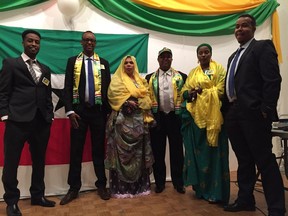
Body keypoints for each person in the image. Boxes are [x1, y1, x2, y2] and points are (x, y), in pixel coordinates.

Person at [222, 14, 286, 216]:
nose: (239, 29)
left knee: (265, 161)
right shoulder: (233, 56)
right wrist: (226, 111)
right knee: (244, 160)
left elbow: (272, 80)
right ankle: (245, 200)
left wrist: (266, 110)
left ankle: (276, 207)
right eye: (237, 26)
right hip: (234, 114)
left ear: (254, 29)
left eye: (244, 26)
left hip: (255, 115)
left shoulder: (262, 47)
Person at [0, 29, 55, 216]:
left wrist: (50, 116)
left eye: (37, 42)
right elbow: (3, 92)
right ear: (23, 42)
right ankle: (12, 202)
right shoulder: (11, 64)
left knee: (39, 162)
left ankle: (38, 195)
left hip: (41, 123)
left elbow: (47, 96)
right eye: (30, 41)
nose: (34, 44)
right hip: (17, 121)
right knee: (11, 163)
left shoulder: (45, 69)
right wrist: (5, 115)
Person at [60, 31, 111, 205]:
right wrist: (69, 111)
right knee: (76, 151)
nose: (90, 42)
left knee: (99, 150)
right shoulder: (72, 61)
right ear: (82, 42)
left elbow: (108, 90)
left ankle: (102, 185)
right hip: (78, 114)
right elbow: (67, 87)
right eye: (87, 40)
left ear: (95, 43)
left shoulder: (103, 63)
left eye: (93, 40)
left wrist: (108, 112)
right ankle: (74, 188)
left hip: (98, 113)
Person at [181, 43, 230, 204]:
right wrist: (192, 93)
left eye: (206, 52)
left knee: (215, 157)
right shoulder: (193, 73)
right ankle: (201, 190)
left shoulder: (220, 70)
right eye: (200, 53)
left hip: (215, 120)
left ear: (211, 54)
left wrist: (205, 92)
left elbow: (222, 90)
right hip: (197, 120)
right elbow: (184, 92)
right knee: (200, 155)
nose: (203, 55)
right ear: (197, 56)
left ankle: (216, 192)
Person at [105, 55, 155, 198]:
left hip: (139, 124)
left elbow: (147, 97)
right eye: (126, 63)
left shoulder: (140, 81)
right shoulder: (117, 81)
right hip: (122, 125)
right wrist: (127, 102)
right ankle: (121, 190)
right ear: (122, 65)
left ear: (135, 65)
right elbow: (112, 96)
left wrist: (139, 102)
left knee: (138, 157)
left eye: (131, 62)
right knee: (122, 156)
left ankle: (139, 188)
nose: (128, 65)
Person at [145, 47, 186, 194]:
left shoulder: (181, 76)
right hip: (158, 118)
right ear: (158, 60)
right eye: (162, 57)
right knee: (158, 152)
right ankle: (160, 183)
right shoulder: (150, 78)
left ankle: (178, 183)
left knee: (177, 152)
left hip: (175, 118)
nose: (165, 59)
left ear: (172, 59)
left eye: (168, 57)